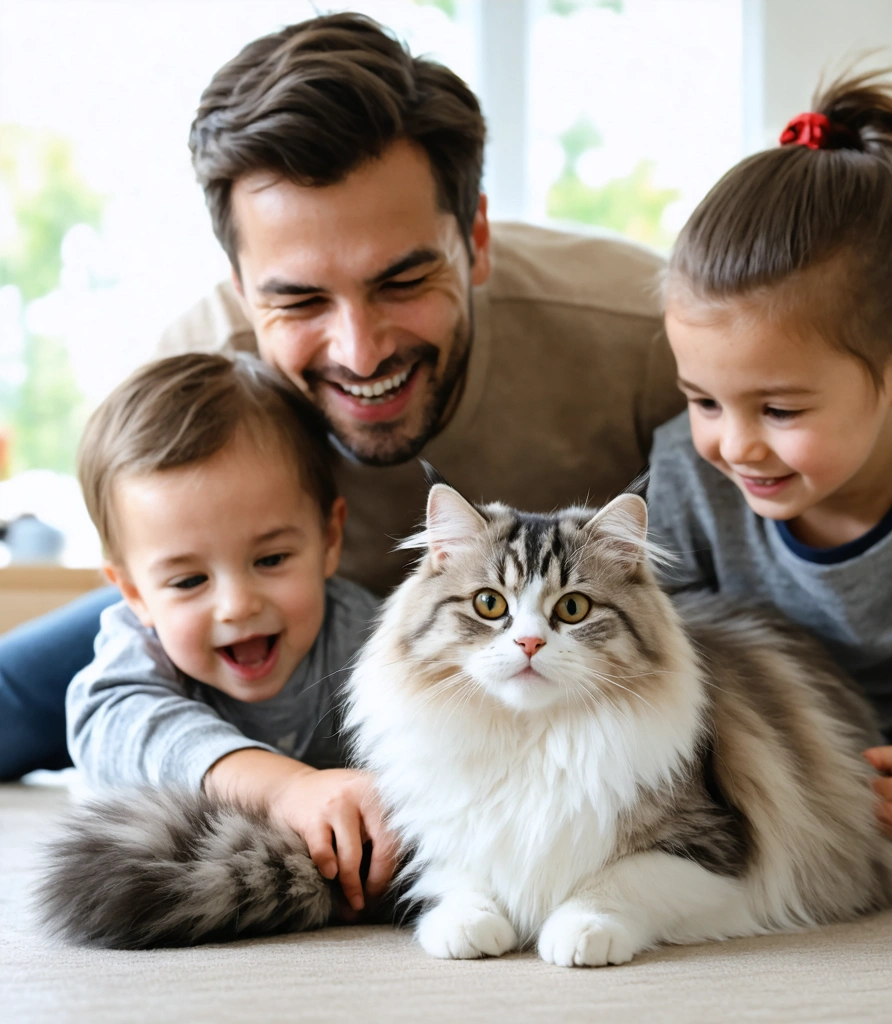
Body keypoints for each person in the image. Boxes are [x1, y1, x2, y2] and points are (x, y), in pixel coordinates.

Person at [0, 12, 683, 780]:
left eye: (401, 281)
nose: (361, 352)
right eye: (298, 301)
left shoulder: (649, 337)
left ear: (477, 239)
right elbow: (131, 676)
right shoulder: (191, 380)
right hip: (251, 612)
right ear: (241, 287)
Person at [648, 71, 892, 880]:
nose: (735, 446)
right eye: (703, 399)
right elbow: (659, 655)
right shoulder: (685, 466)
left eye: (779, 411)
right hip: (785, 760)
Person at [66, 351, 395, 913]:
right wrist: (286, 787)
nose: (237, 605)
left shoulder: (364, 638)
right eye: (190, 579)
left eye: (270, 559)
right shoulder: (137, 650)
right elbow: (111, 719)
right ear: (136, 594)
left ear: (329, 539)